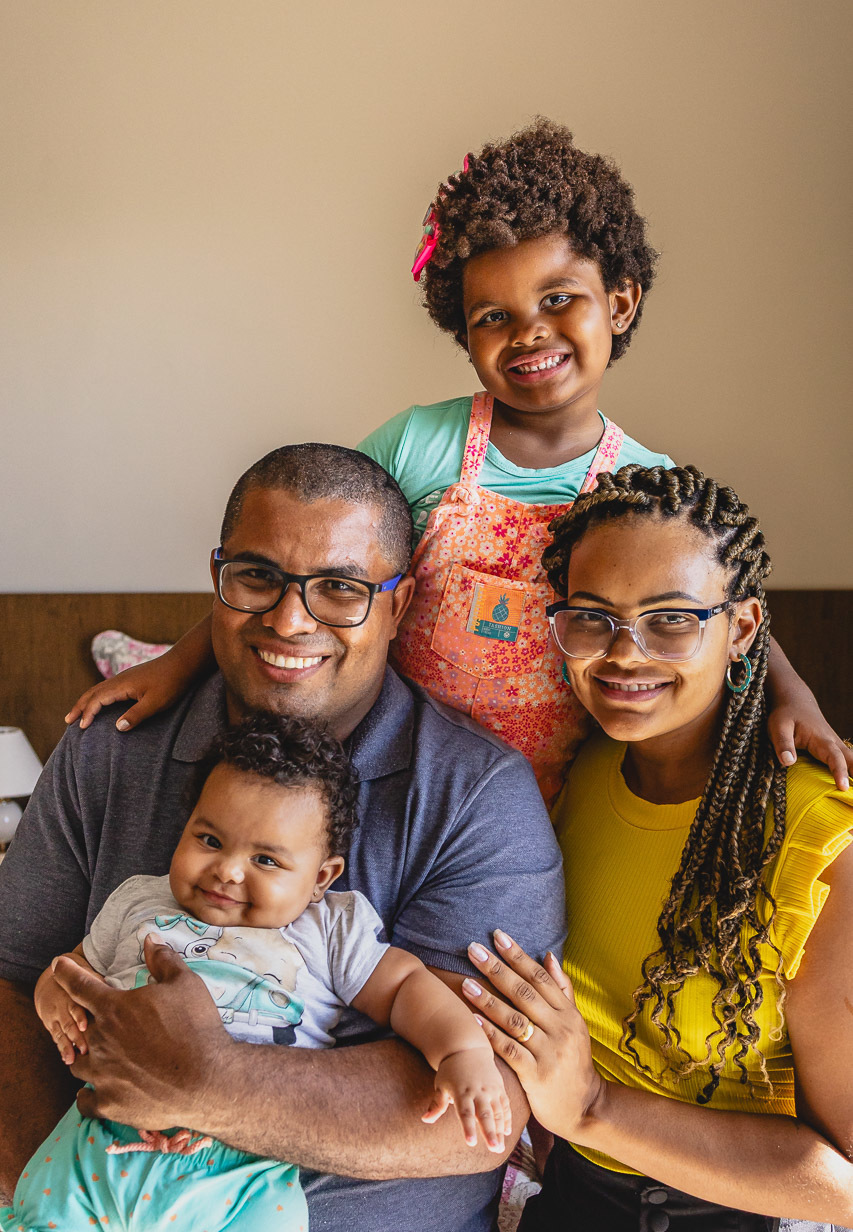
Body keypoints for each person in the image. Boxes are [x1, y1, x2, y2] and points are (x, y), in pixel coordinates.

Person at [63, 120, 853, 805]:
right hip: (379, 766)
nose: (529, 332)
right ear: (461, 332)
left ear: (619, 303)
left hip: (550, 792)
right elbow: (296, 567)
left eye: (558, 299)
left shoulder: (640, 485)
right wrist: (176, 666)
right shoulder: (418, 445)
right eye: (492, 317)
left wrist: (798, 696)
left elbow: (728, 610)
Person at [0, 443, 567, 1232]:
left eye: (339, 588)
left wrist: (204, 1081)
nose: (290, 621)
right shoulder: (110, 752)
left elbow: (476, 1116)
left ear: (396, 603)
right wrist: (52, 1207)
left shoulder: (476, 796)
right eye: (257, 578)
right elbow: (14, 979)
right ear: (217, 581)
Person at [458, 464, 853, 1232]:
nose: (622, 656)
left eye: (670, 620)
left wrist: (592, 1109)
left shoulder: (822, 841)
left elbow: (846, 1183)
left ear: (742, 630)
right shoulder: (574, 775)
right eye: (592, 618)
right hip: (563, 1216)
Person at [3, 712, 510, 1232]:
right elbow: (72, 968)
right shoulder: (137, 902)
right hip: (93, 1158)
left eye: (266, 859)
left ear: (321, 877)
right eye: (209, 839)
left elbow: (409, 989)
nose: (227, 871)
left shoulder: (326, 931)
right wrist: (53, 995)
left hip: (240, 1194)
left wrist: (463, 1054)